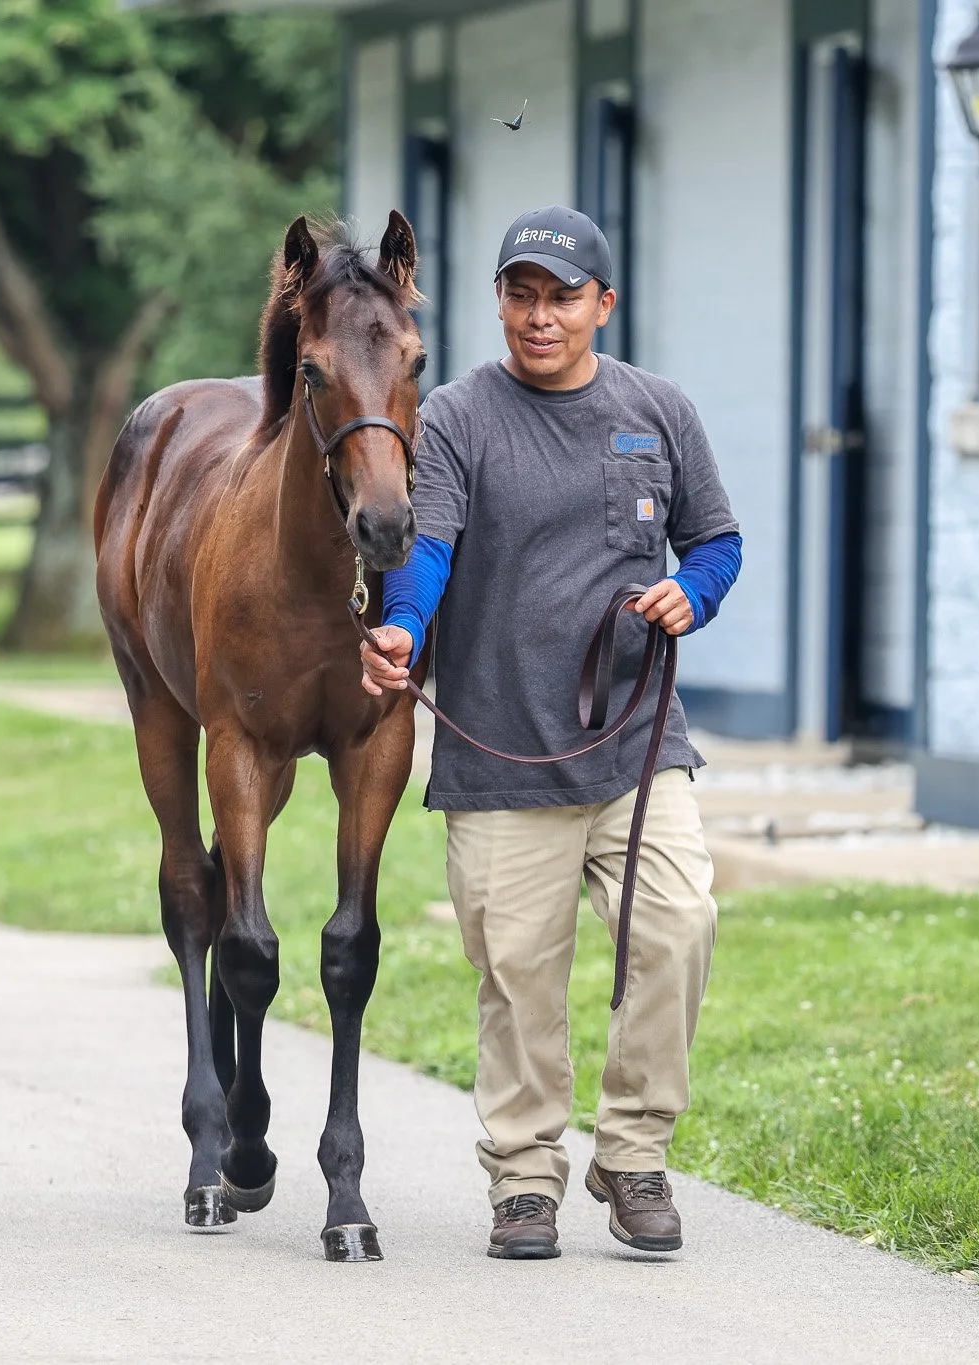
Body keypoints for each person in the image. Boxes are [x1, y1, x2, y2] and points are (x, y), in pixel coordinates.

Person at [361, 205, 742, 1259]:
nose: (538, 316)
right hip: (500, 747)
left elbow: (713, 541)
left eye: (560, 296)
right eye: (518, 293)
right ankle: (524, 1178)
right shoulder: (454, 417)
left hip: (635, 739)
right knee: (518, 973)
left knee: (677, 925)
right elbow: (424, 548)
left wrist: (687, 596)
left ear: (601, 305)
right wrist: (399, 626)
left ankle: (632, 1153)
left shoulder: (656, 411)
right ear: (497, 301)